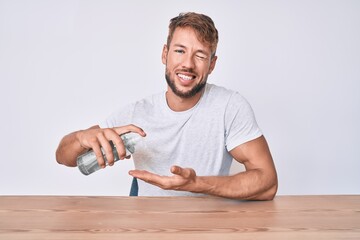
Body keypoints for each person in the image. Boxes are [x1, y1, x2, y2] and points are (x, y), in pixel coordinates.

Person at [56, 12, 278, 200]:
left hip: (206, 226)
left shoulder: (229, 107)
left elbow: (267, 182)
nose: (188, 64)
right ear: (165, 54)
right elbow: (64, 158)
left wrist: (198, 184)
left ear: (212, 64)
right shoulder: (137, 113)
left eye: (200, 55)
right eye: (180, 51)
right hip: (147, 224)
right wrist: (79, 138)